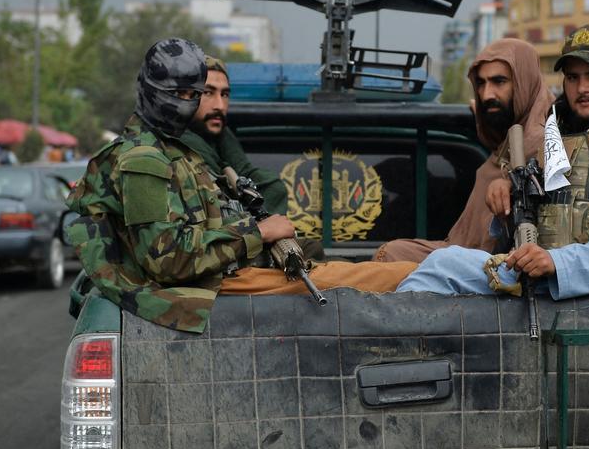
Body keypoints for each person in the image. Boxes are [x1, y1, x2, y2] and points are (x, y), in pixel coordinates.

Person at [65, 37, 415, 334]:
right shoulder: (144, 158)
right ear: (152, 90)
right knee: (387, 278)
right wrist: (258, 233)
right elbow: (166, 260)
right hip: (205, 287)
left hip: (217, 277)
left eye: (193, 93)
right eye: (180, 92)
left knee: (353, 268)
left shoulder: (169, 148)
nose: (187, 102)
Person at [398, 24, 589, 299]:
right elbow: (533, 222)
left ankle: (381, 344)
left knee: (443, 266)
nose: (582, 87)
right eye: (572, 78)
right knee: (436, 263)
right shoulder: (560, 142)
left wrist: (556, 263)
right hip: (539, 283)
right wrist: (505, 197)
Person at [375, 39, 556, 262]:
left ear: (524, 82)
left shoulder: (545, 143)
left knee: (390, 257)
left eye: (499, 82)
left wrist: (509, 185)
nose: (487, 94)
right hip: (460, 254)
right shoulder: (508, 138)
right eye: (481, 83)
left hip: (489, 270)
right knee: (392, 253)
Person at [179, 56, 289, 214]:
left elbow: (245, 172)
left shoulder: (220, 136)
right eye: (208, 93)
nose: (220, 106)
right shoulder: (179, 141)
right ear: (186, 96)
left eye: (224, 94)